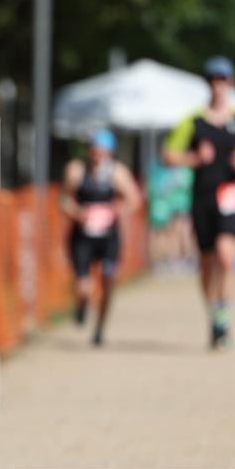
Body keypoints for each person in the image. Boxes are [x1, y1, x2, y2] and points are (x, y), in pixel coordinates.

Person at [163, 56, 235, 350]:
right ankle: (213, 314)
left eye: (223, 80)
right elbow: (168, 155)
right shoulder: (193, 121)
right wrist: (194, 158)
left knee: (226, 255)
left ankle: (223, 317)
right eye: (213, 80)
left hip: (231, 195)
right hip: (202, 197)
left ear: (231, 84)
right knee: (206, 263)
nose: (218, 86)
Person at [61, 130, 142, 346]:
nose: (97, 156)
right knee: (83, 286)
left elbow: (134, 199)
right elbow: (64, 199)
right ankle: (81, 305)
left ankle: (99, 329)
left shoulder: (118, 173)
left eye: (102, 152)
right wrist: (78, 213)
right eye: (95, 151)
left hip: (108, 237)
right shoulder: (77, 171)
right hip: (82, 236)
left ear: (109, 153)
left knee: (108, 281)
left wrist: (117, 210)